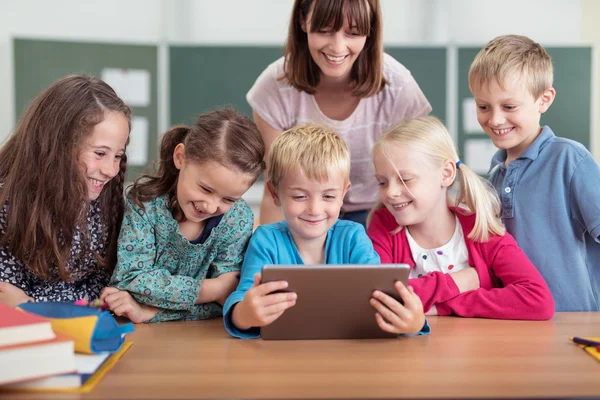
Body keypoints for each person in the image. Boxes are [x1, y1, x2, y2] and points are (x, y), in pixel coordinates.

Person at [224, 124, 427, 338]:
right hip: (283, 358)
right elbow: (242, 300)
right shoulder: (266, 240)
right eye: (299, 196)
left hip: (350, 356)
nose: (314, 210)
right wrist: (244, 315)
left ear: (343, 194)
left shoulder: (353, 237)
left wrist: (414, 322)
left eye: (328, 196)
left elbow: (383, 300)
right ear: (275, 193)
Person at [248, 0, 431, 227]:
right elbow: (276, 190)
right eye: (324, 31)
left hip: (379, 215)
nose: (337, 47)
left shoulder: (399, 87)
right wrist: (273, 254)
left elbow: (425, 182)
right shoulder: (274, 86)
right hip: (305, 214)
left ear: (370, 30)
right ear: (303, 20)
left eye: (353, 33)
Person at [367, 116, 554, 320]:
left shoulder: (480, 229)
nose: (391, 192)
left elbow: (537, 300)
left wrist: (442, 307)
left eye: (405, 180)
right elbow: (379, 299)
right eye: (382, 182)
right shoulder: (384, 226)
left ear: (446, 174)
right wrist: (458, 282)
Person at [469, 34, 600, 311]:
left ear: (544, 100)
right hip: (517, 321)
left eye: (509, 107)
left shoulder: (569, 160)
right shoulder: (493, 180)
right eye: (483, 107)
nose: (494, 119)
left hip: (575, 321)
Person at [104, 108, 265, 323]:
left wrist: (151, 312)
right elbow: (130, 280)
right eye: (205, 189)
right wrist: (212, 289)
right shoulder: (145, 204)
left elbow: (228, 301)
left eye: (228, 199)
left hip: (205, 341)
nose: (210, 206)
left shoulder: (238, 219)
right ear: (180, 158)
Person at [0, 74, 130, 306]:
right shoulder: (9, 202)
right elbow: (7, 295)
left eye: (118, 156)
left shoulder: (105, 201)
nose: (111, 170)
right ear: (58, 146)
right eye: (100, 153)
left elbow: (102, 287)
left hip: (83, 329)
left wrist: (32, 303)